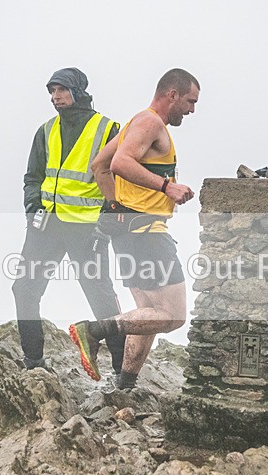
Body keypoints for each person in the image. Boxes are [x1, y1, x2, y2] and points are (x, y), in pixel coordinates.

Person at [69, 68, 199, 390]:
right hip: (146, 234)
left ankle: (124, 384)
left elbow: (99, 164)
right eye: (189, 101)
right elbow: (119, 163)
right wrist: (166, 186)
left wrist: (117, 206)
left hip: (129, 231)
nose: (192, 110)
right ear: (172, 94)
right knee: (172, 315)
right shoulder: (150, 122)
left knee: (149, 315)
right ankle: (93, 331)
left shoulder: (135, 122)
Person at [12, 67, 125, 375]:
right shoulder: (46, 130)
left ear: (78, 91)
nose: (55, 96)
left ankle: (121, 372)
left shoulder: (107, 129)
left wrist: (106, 225)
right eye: (51, 91)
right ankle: (34, 363)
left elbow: (118, 182)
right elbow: (32, 177)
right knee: (24, 289)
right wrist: (32, 207)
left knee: (100, 296)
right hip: (46, 226)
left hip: (87, 229)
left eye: (61, 89)